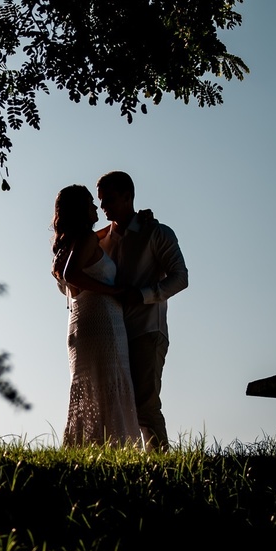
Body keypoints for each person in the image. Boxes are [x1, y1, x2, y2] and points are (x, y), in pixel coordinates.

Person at [95, 171, 188, 452]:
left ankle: (161, 465)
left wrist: (143, 295)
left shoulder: (156, 233)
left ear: (128, 197)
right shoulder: (101, 241)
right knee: (115, 404)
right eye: (100, 200)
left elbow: (180, 278)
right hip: (112, 335)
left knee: (145, 405)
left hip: (147, 329)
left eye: (109, 199)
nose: (103, 207)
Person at [51, 184, 141, 447]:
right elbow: (71, 274)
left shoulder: (70, 244)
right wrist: (113, 290)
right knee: (110, 381)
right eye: (91, 203)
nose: (96, 207)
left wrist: (137, 220)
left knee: (91, 385)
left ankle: (86, 446)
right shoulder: (87, 240)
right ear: (81, 209)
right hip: (103, 320)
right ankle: (117, 447)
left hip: (79, 323)